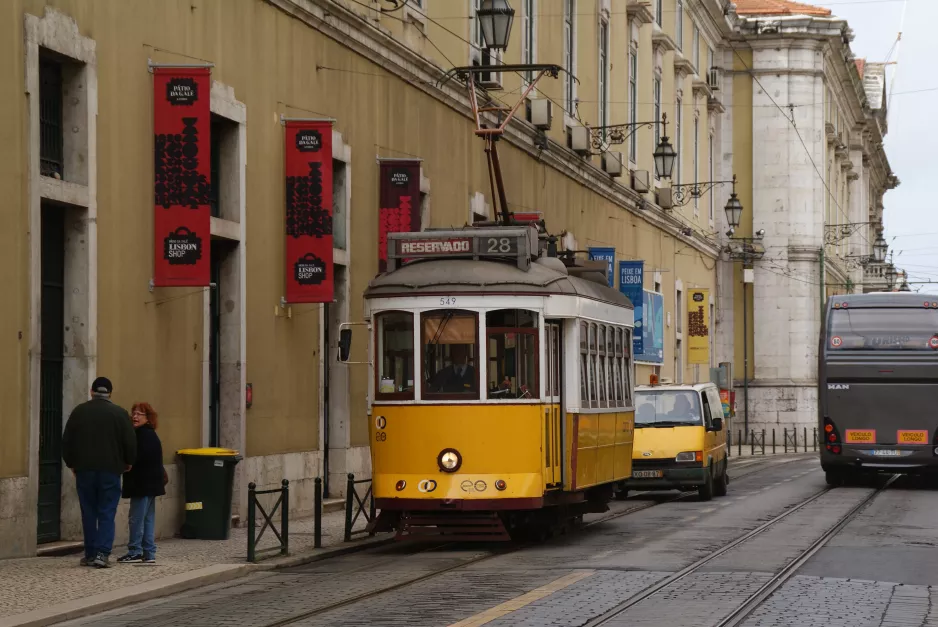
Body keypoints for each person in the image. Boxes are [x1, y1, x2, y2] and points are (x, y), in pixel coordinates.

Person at [62, 377, 136, 568]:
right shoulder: (120, 414)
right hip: (110, 470)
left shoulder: (79, 412)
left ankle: (89, 553)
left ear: (91, 391)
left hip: (84, 470)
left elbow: (67, 441)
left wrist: (72, 464)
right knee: (106, 511)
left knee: (88, 512)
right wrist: (128, 462)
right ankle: (102, 554)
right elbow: (130, 442)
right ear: (110, 393)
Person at [118, 403, 166, 565]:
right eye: (134, 413)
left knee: (137, 519)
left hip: (142, 484)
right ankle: (149, 552)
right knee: (147, 518)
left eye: (139, 414)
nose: (135, 417)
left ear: (148, 418)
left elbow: (135, 459)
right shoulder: (150, 434)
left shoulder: (140, 435)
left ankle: (135, 551)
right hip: (150, 484)